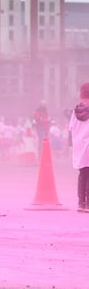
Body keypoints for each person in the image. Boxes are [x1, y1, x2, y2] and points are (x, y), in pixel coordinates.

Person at [68, 83, 89, 212]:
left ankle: (81, 203)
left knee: (83, 173)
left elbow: (71, 128)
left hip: (80, 146)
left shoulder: (75, 110)